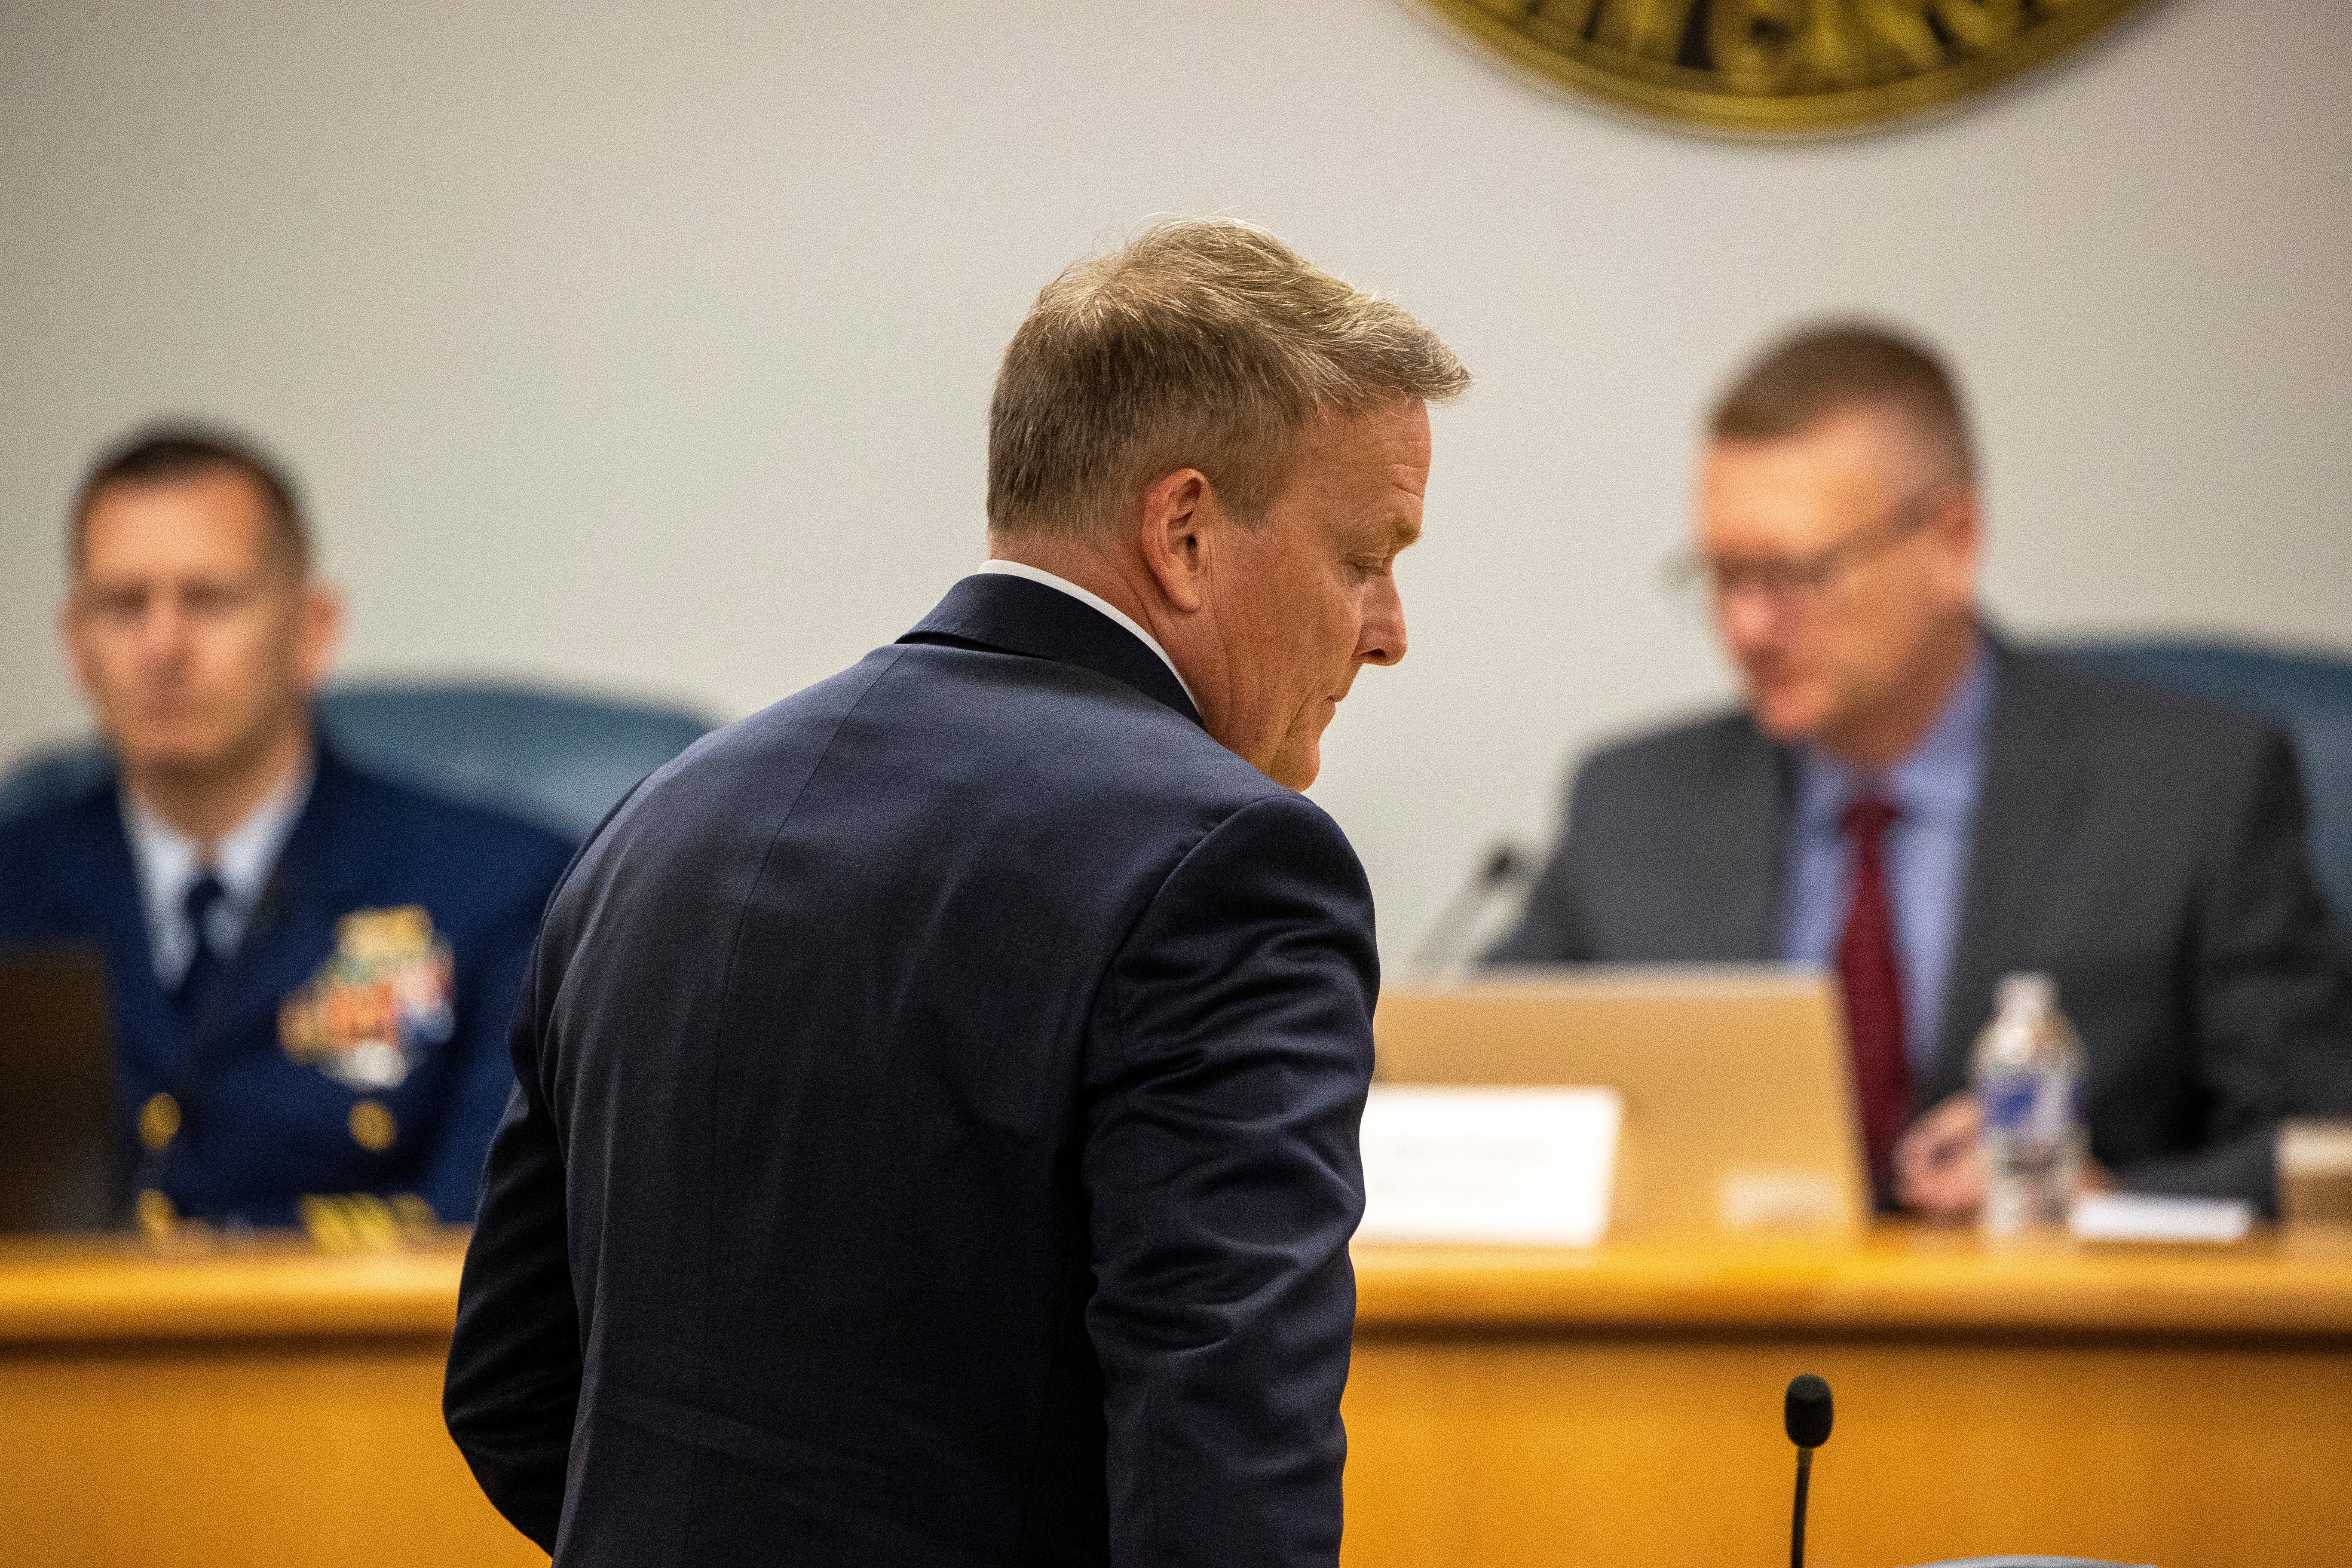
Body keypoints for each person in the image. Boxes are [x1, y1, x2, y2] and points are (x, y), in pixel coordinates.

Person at [443, 219, 1468, 1566]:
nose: (1389, 630)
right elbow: (1225, 1466)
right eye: (1364, 557)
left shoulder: (662, 818)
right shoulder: (1233, 866)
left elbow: (513, 1390)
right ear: (1187, 533)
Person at [1491, 323, 2352, 1216]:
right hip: (1722, 1333)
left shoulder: (2192, 790)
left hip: (2061, 1337)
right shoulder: (1633, 804)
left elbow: (2319, 1144)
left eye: (1795, 573)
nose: (1746, 628)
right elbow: (1463, 1081)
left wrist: (2094, 1200)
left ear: (1953, 541)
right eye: (1722, 575)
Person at [0, 429, 573, 1229]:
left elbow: (483, 1249)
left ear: (313, 627)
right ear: (77, 644)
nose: (163, 648)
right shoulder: (16, 883)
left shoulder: (498, 888)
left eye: (209, 600)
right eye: (124, 605)